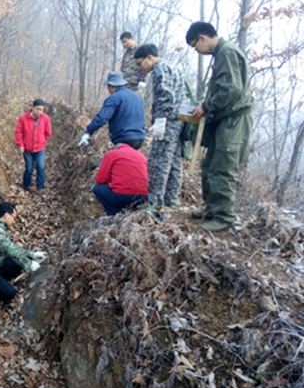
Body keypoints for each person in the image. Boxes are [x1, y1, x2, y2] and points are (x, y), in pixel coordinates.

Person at [185, 22, 253, 232]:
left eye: (195, 46)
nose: (197, 50)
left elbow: (231, 89)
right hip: (223, 120)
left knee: (224, 167)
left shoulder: (227, 52)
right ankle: (212, 209)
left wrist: (206, 106)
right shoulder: (221, 53)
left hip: (234, 121)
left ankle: (224, 216)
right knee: (210, 166)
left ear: (202, 38)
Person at [134, 44, 186, 211]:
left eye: (140, 63)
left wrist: (160, 120)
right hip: (178, 120)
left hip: (168, 121)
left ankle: (155, 202)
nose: (140, 68)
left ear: (149, 57)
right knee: (174, 161)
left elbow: (166, 97)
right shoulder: (172, 67)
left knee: (160, 161)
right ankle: (171, 200)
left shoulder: (160, 69)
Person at [0, 202, 45, 300]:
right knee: (10, 292)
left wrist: (32, 254)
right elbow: (11, 250)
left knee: (23, 259)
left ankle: (0, 282)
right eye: (13, 218)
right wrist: (29, 264)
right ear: (6, 215)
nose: (14, 221)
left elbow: (12, 248)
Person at [78, 71, 146, 150]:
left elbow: (102, 118)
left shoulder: (114, 98)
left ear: (110, 85)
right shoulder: (137, 97)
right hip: (140, 139)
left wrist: (88, 131)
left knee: (117, 157)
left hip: (124, 138)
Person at [93, 143, 148, 216]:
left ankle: (114, 215)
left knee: (98, 188)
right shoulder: (141, 155)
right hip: (144, 198)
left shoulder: (112, 154)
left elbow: (100, 180)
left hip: (123, 196)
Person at [15, 99, 52, 190]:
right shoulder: (23, 118)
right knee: (29, 168)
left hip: (40, 148)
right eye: (37, 109)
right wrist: (21, 145)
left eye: (41, 110)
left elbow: (48, 132)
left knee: (41, 167)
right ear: (32, 107)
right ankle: (26, 185)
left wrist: (43, 141)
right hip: (27, 149)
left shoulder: (45, 118)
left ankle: (40, 187)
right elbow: (18, 132)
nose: (39, 111)